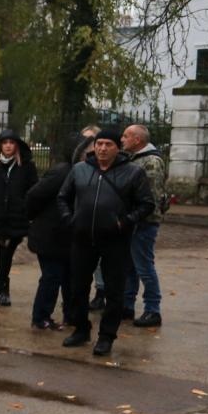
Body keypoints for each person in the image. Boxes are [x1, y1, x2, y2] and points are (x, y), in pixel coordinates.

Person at [57, 128, 155, 357]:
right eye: (99, 144)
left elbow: (146, 204)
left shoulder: (132, 173)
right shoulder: (80, 170)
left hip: (115, 240)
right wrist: (70, 220)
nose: (102, 148)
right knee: (78, 287)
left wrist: (124, 223)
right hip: (82, 237)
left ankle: (106, 336)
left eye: (108, 144)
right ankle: (81, 329)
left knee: (114, 290)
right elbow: (63, 197)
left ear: (117, 148)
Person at [24, 137, 78, 331]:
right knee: (52, 276)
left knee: (69, 276)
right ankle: (41, 317)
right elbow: (34, 195)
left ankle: (70, 315)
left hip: (66, 235)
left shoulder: (80, 171)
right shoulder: (62, 172)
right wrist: (33, 216)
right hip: (50, 234)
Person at [0, 129, 37, 308]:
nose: (8, 146)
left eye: (12, 143)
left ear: (17, 146)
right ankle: (3, 289)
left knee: (8, 251)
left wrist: (24, 206)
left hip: (16, 217)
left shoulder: (26, 166)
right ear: (0, 146)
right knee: (1, 253)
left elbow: (33, 189)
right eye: (5, 143)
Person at [121, 124, 166, 328]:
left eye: (126, 136)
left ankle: (152, 309)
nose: (122, 139)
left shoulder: (152, 161)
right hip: (132, 220)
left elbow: (152, 196)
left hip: (144, 222)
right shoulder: (132, 158)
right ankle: (127, 305)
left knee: (144, 266)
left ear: (137, 140)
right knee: (129, 266)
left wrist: (139, 217)